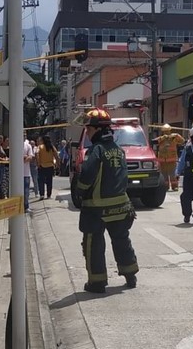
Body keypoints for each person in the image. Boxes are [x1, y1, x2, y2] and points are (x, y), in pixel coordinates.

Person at [74, 108, 138, 293]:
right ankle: (130, 274)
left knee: (93, 244)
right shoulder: (119, 150)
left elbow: (86, 176)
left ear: (97, 129)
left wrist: (79, 192)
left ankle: (97, 282)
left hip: (97, 209)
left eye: (89, 129)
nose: (87, 132)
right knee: (121, 240)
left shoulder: (96, 150)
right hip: (121, 207)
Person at [155, 124, 185, 191]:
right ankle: (166, 187)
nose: (166, 133)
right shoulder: (161, 139)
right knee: (164, 175)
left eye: (167, 131)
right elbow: (154, 141)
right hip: (163, 161)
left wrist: (177, 136)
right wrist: (162, 138)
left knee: (172, 175)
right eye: (165, 131)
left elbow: (182, 141)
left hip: (172, 160)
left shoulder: (174, 138)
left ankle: (174, 186)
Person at [36, 135, 59, 199]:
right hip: (50, 166)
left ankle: (42, 194)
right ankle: (49, 195)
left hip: (42, 166)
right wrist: (57, 164)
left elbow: (36, 154)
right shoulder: (52, 147)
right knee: (49, 181)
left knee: (41, 181)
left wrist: (38, 163)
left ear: (43, 140)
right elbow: (57, 155)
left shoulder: (40, 147)